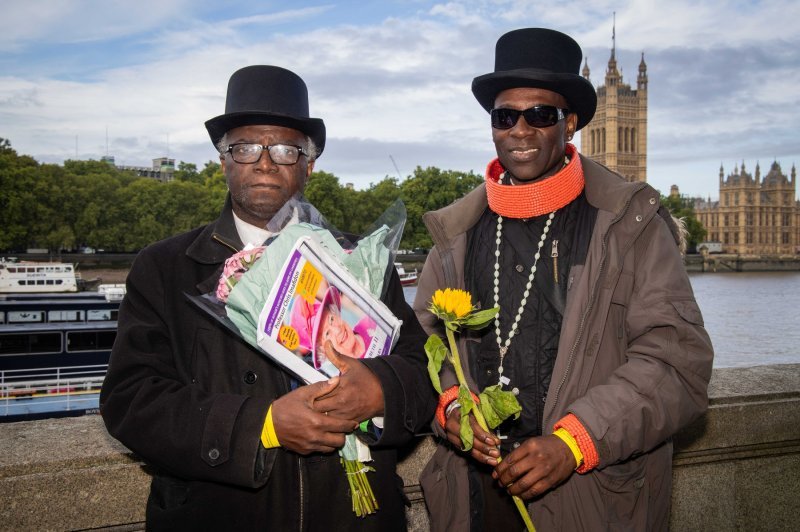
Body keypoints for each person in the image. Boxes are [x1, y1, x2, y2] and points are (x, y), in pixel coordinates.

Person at [100, 65, 435, 531]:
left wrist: (380, 389)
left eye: (284, 148)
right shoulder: (163, 267)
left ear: (309, 164)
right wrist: (263, 425)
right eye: (245, 147)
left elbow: (422, 370)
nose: (264, 161)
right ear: (223, 160)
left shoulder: (362, 260)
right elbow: (130, 400)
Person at [413, 28, 714, 531]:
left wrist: (576, 441)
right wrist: (451, 410)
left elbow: (677, 361)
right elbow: (421, 347)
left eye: (541, 115)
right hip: (476, 505)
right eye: (505, 115)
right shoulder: (457, 233)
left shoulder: (630, 225)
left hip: (591, 503)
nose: (520, 130)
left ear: (570, 123)